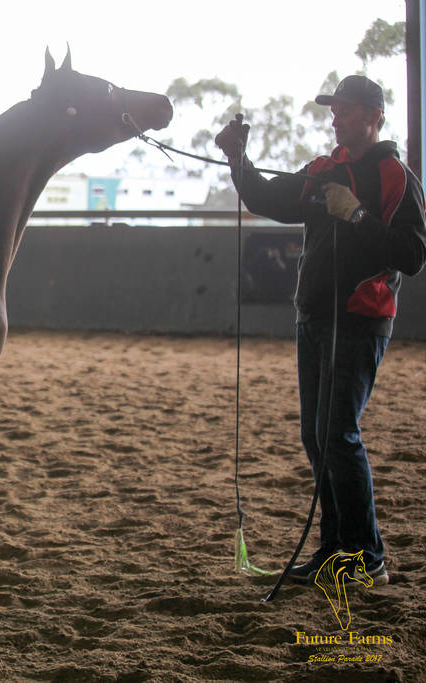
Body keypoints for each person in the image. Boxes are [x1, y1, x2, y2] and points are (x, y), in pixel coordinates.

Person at [214, 74, 426, 586]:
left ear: (373, 116)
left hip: (360, 318)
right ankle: (337, 550)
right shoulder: (321, 170)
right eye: (334, 109)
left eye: (346, 109)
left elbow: (412, 254)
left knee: (337, 435)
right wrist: (237, 160)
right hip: (313, 317)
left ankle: (366, 556)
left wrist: (355, 215)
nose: (336, 117)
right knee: (318, 437)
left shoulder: (395, 175)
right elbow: (268, 200)